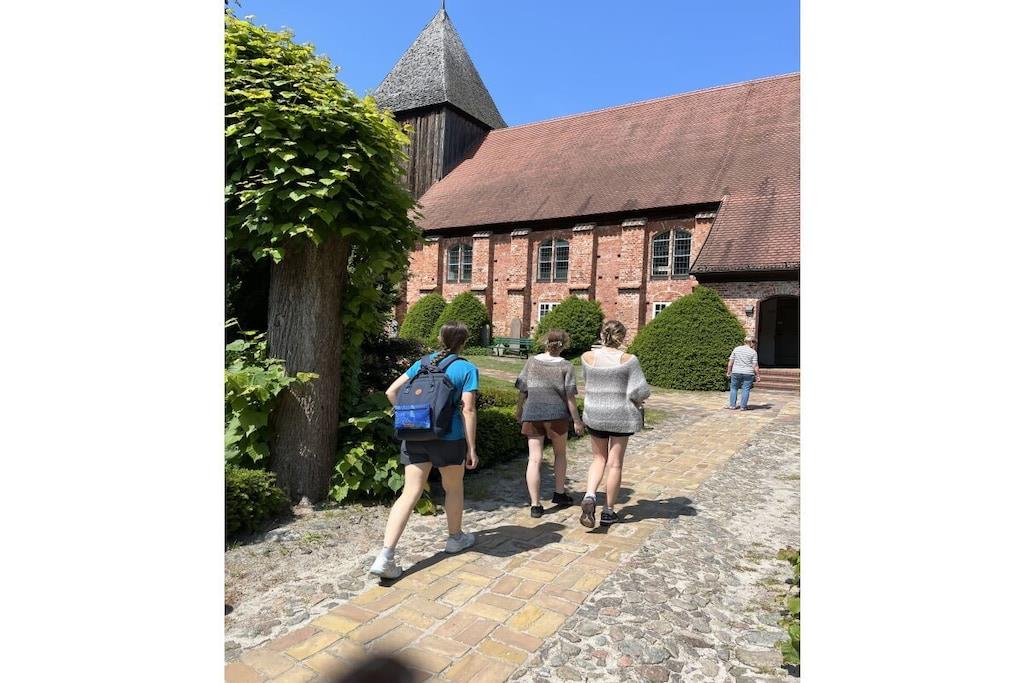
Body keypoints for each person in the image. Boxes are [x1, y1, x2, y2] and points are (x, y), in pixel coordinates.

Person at [370, 322, 480, 579]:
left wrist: (407, 416)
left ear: (440, 338)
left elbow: (391, 391)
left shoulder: (421, 363)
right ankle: (455, 538)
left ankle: (385, 555)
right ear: (464, 342)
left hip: (414, 435)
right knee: (453, 487)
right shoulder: (466, 368)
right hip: (449, 438)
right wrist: (472, 448)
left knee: (409, 492)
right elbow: (468, 410)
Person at [579, 320, 650, 527]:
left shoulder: (587, 357)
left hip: (595, 413)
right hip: (620, 415)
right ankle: (608, 511)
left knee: (598, 459)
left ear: (602, 335)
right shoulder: (629, 360)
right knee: (615, 462)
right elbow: (640, 391)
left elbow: (587, 381)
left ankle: (590, 495)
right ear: (622, 337)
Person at [515, 329, 585, 518]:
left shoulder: (531, 362)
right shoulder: (566, 366)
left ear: (545, 342)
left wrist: (519, 410)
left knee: (534, 458)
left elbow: (522, 389)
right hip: (557, 415)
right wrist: (577, 420)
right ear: (564, 345)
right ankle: (559, 493)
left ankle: (535, 505)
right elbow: (570, 397)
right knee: (560, 454)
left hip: (533, 413)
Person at [726, 335, 761, 411]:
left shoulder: (736, 349)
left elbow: (730, 362)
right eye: (754, 343)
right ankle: (743, 406)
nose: (754, 345)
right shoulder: (753, 352)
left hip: (736, 372)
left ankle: (732, 406)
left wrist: (728, 371)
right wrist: (758, 375)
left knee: (734, 388)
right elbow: (755, 365)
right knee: (746, 389)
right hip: (748, 373)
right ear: (752, 342)